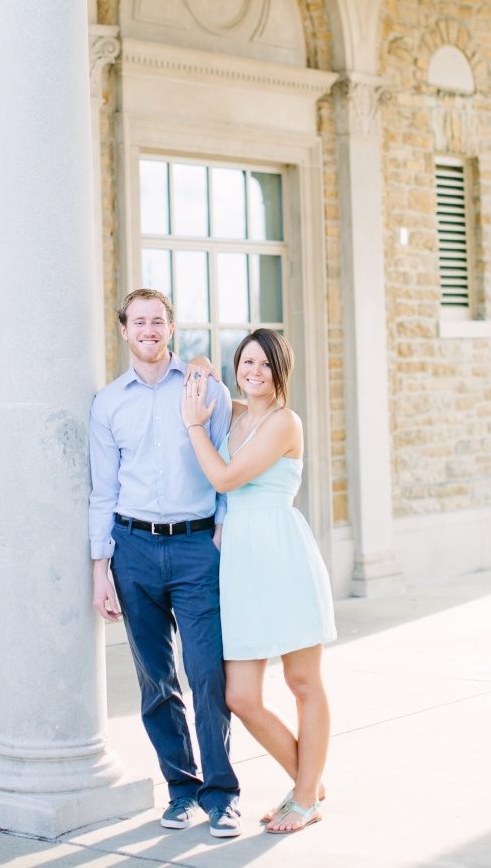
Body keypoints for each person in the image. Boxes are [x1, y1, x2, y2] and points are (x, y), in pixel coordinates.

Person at [89, 288, 241, 839]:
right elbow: (102, 493)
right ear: (124, 331)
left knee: (207, 674)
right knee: (156, 679)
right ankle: (181, 791)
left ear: (171, 329)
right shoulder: (108, 404)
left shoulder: (205, 389)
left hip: (196, 548)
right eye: (139, 321)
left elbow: (226, 461)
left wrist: (220, 536)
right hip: (132, 551)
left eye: (158, 321)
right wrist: (100, 569)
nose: (149, 330)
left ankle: (221, 795)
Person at [181, 328, 336, 834]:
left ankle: (306, 796)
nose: (255, 372)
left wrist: (193, 428)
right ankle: (307, 785)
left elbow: (226, 479)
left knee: (302, 682)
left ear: (281, 372)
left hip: (282, 555)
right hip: (241, 564)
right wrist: (202, 364)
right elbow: (199, 364)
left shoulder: (283, 422)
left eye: (266, 364)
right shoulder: (236, 416)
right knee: (241, 696)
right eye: (246, 362)